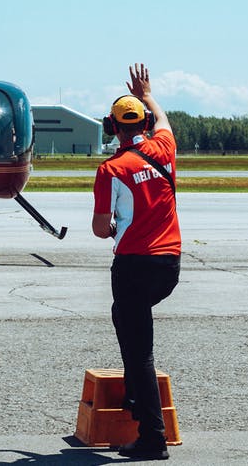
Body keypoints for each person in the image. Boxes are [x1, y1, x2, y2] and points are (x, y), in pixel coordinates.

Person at [91, 63, 180, 461]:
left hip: (133, 266)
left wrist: (114, 228)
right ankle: (133, 395)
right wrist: (148, 92)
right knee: (124, 320)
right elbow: (163, 118)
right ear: (142, 122)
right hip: (169, 266)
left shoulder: (111, 169)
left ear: (112, 127)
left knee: (139, 351)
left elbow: (98, 228)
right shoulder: (165, 149)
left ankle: (151, 437)